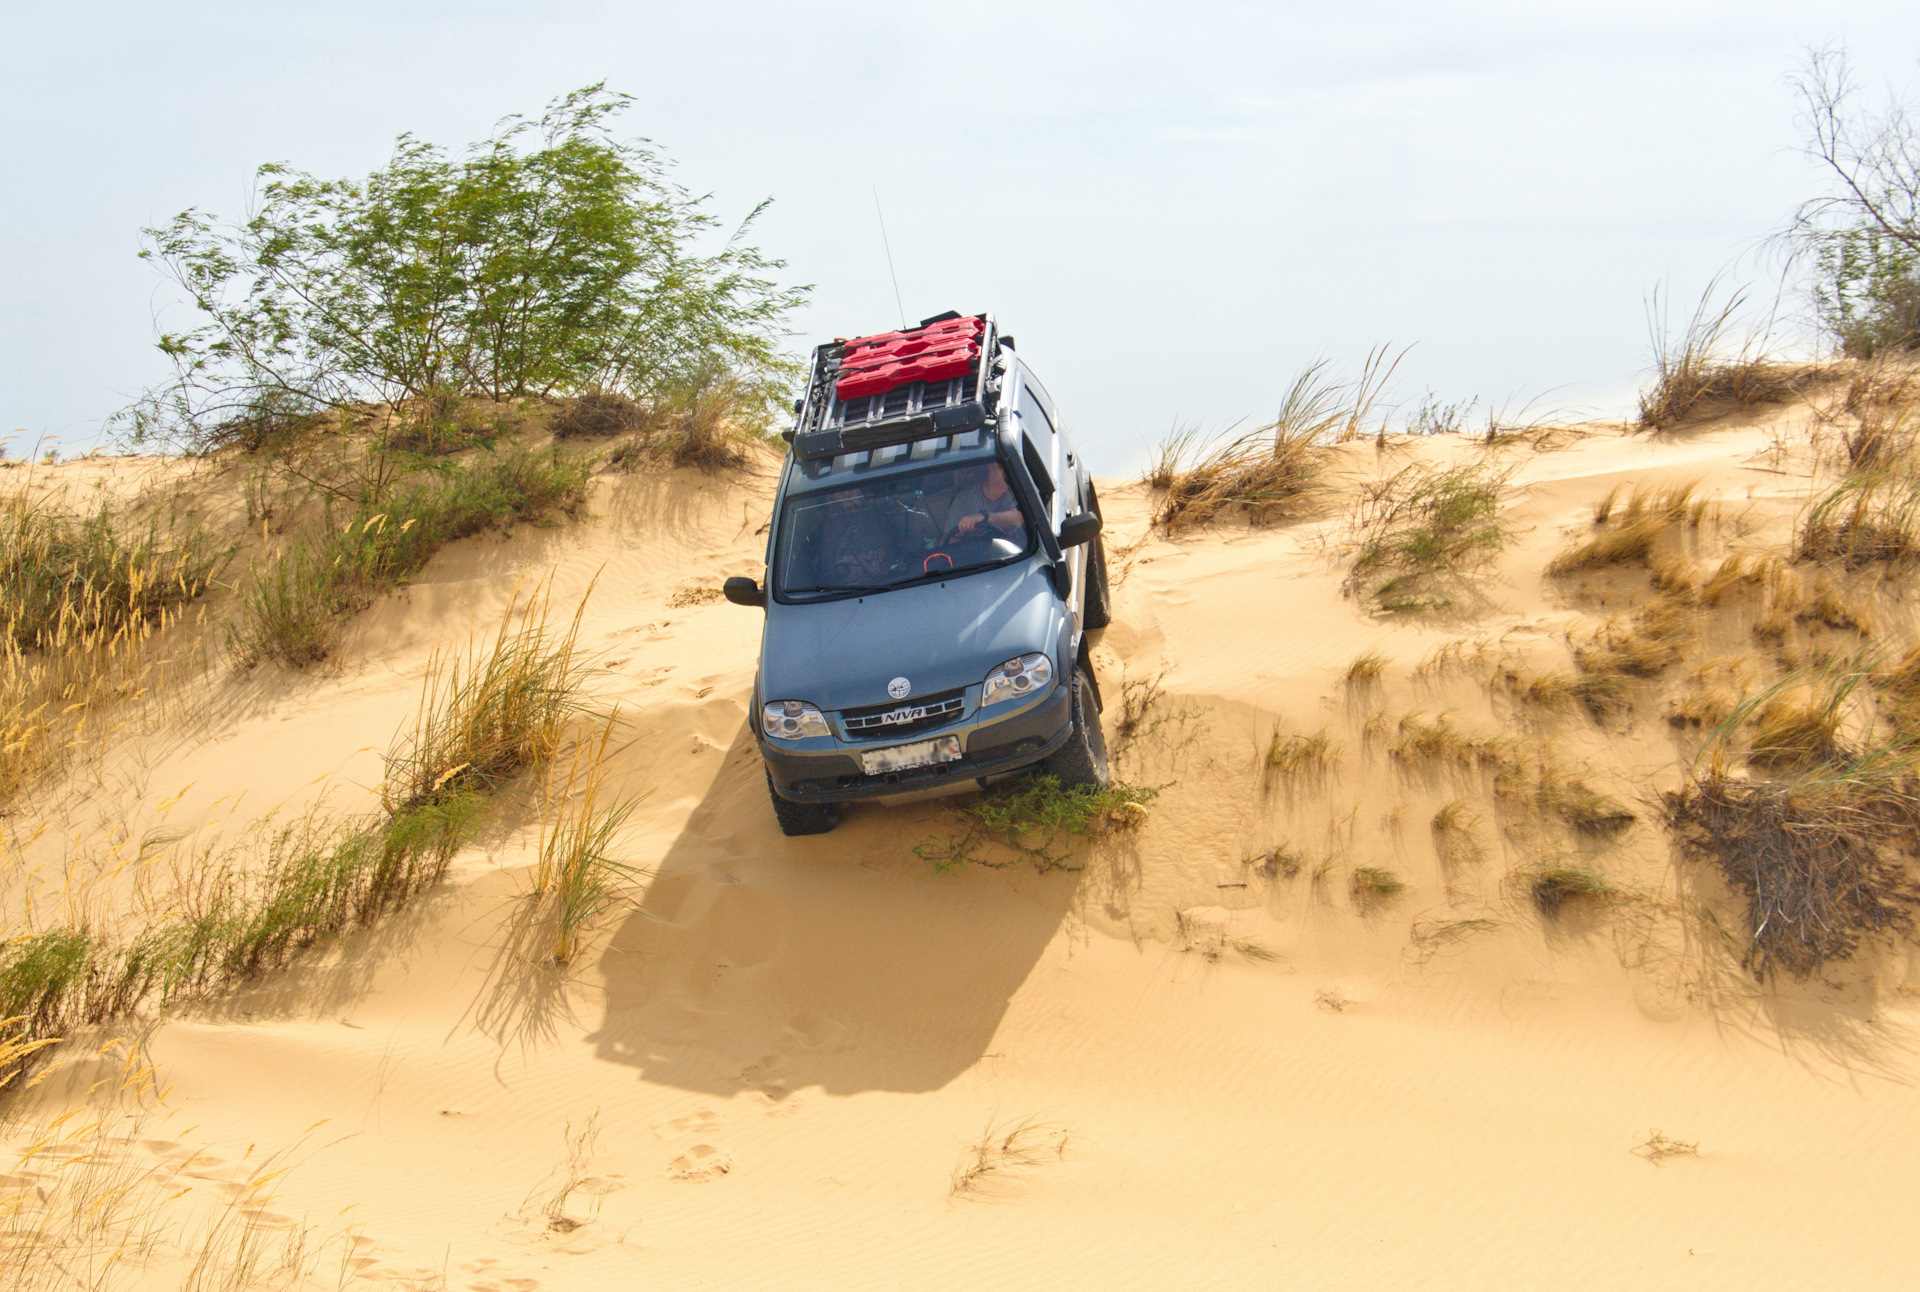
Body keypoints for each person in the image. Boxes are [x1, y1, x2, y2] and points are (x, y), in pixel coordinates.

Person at [944, 462, 1025, 539]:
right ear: (988, 467)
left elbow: (1018, 519)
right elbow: (950, 540)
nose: (1003, 472)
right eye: (997, 468)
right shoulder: (965, 498)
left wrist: (984, 517)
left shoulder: (1019, 492)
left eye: (1005, 467)